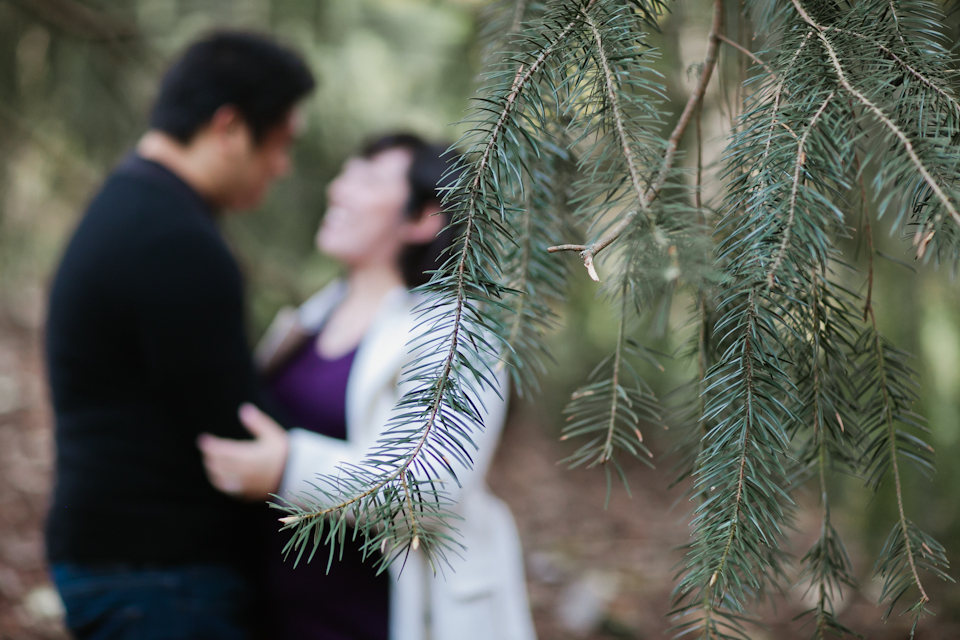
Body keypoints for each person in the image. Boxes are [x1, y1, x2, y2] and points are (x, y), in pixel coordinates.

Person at [198, 134, 538, 640]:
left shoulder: (455, 333)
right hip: (278, 613)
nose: (338, 189)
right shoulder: (315, 313)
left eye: (368, 179)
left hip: (383, 619)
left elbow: (431, 485)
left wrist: (287, 467)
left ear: (423, 216)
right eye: (345, 173)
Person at [44, 32, 314, 639]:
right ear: (228, 127)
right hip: (159, 578)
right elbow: (234, 422)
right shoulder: (174, 241)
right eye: (280, 143)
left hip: (129, 564)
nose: (282, 166)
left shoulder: (135, 206)